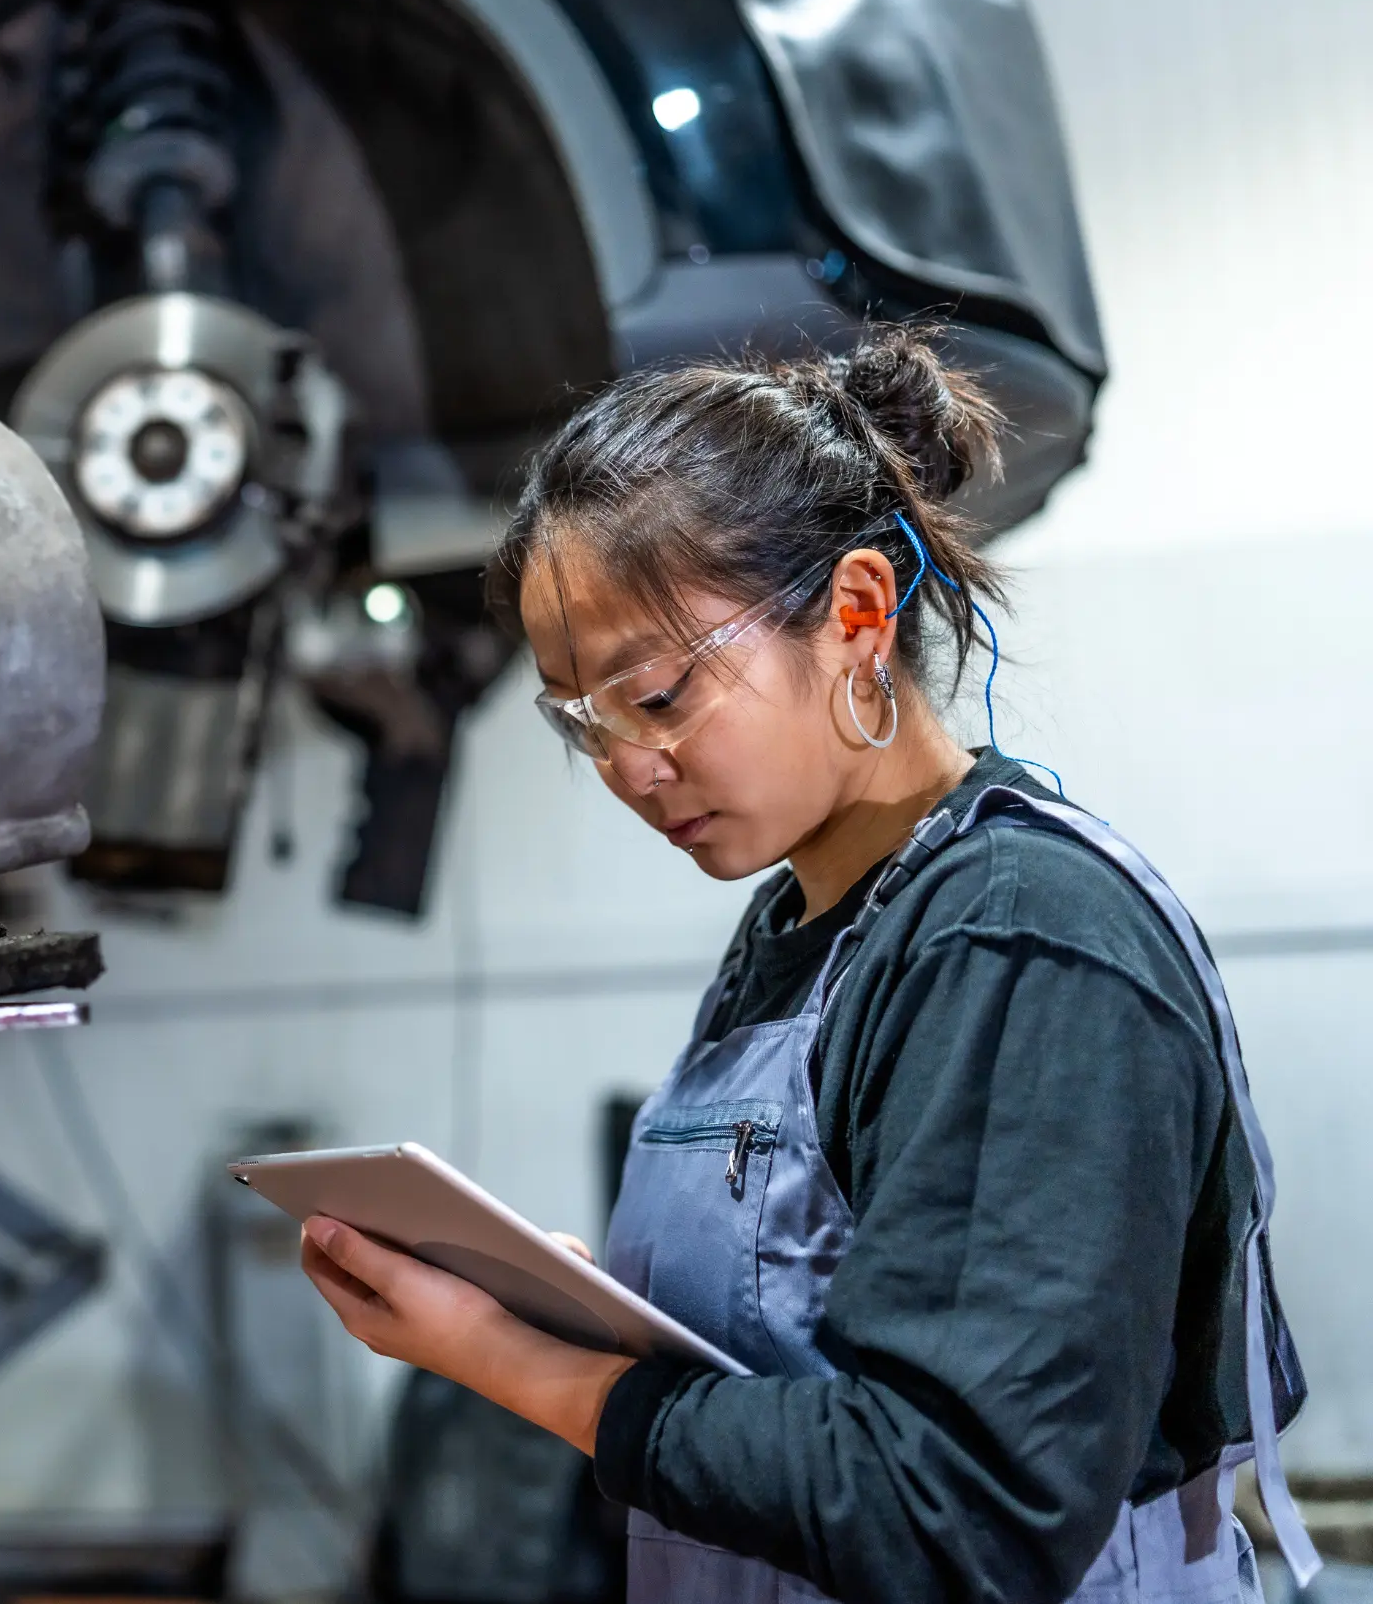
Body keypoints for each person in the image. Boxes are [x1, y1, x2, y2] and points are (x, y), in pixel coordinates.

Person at [297, 330, 1316, 1604]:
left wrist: (509, 1361)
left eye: (659, 698)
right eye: (583, 721)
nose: (626, 768)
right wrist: (565, 1302)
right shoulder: (797, 926)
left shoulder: (1017, 943)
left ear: (853, 616)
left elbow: (960, 1509)